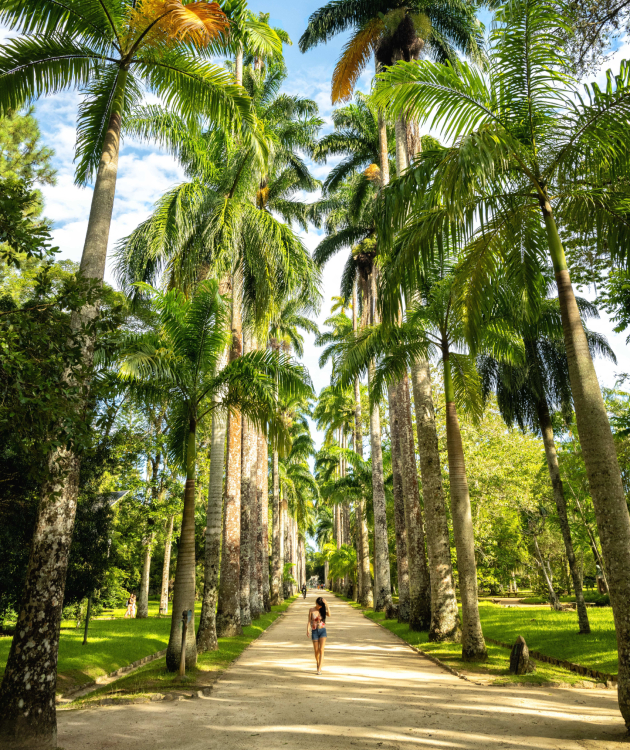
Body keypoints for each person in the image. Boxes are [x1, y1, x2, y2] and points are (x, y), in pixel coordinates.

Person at [306, 596, 330, 675]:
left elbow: (329, 614)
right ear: (316, 603)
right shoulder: (311, 610)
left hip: (322, 630)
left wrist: (326, 604)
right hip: (314, 631)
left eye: (320, 606)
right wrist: (307, 630)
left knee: (321, 649)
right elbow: (309, 621)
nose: (319, 607)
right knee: (316, 651)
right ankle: (318, 662)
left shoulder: (322, 610)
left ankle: (319, 668)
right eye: (318, 605)